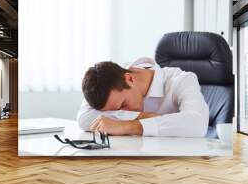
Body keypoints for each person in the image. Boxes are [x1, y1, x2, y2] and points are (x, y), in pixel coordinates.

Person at [76, 57, 209, 137]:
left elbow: (198, 124)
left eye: (123, 105)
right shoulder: (109, 80)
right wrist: (144, 116)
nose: (124, 112)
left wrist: (127, 126)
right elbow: (83, 118)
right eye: (115, 111)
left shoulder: (181, 80)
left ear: (129, 79)